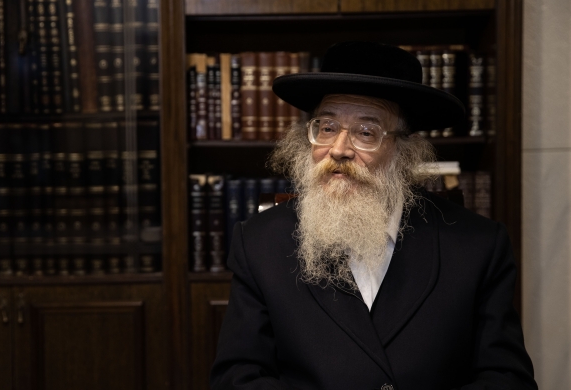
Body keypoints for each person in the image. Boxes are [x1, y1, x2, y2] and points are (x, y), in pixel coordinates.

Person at [210, 42, 537, 390]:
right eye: (327, 127)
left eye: (366, 132)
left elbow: (507, 379)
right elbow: (237, 378)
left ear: (404, 150)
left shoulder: (478, 246)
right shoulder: (260, 243)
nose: (338, 149)